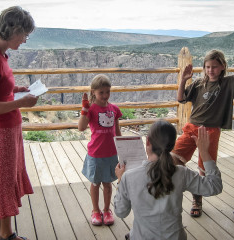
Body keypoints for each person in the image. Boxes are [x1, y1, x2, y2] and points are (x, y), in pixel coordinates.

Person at [171, 41, 234, 217]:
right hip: (192, 127)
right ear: (204, 67)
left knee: (205, 168)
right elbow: (181, 98)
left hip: (211, 131)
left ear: (222, 67)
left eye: (214, 67)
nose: (210, 70)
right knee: (173, 158)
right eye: (207, 67)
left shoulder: (228, 84)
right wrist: (182, 80)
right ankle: (178, 188)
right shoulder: (197, 84)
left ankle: (197, 199)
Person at [0, 6, 38, 240]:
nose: (24, 40)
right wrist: (19, 103)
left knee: (6, 185)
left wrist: (17, 90)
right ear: (14, 29)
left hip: (8, 132)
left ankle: (7, 235)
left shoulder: (0, 54)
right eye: (24, 35)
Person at [114, 120, 222, 240]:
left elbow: (121, 212)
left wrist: (120, 180)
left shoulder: (128, 177)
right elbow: (215, 186)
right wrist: (204, 152)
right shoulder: (182, 173)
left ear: (148, 141)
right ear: (172, 145)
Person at [78, 74, 122, 226]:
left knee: (108, 183)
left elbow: (117, 131)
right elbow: (81, 127)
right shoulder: (91, 109)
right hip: (96, 153)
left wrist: (122, 149)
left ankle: (106, 210)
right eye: (101, 92)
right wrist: (84, 109)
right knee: (95, 183)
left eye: (107, 92)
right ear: (93, 92)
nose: (105, 95)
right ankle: (95, 210)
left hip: (111, 153)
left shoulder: (114, 109)